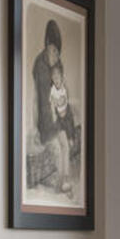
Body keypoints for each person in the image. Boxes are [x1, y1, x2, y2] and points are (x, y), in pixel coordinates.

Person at [30, 18, 81, 197]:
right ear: (46, 45)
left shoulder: (58, 65)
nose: (56, 56)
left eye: (58, 52)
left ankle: (64, 182)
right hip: (46, 116)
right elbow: (38, 99)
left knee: (67, 140)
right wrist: (37, 126)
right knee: (62, 145)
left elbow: (62, 93)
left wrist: (67, 122)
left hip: (57, 113)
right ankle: (63, 183)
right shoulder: (39, 65)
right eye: (53, 50)